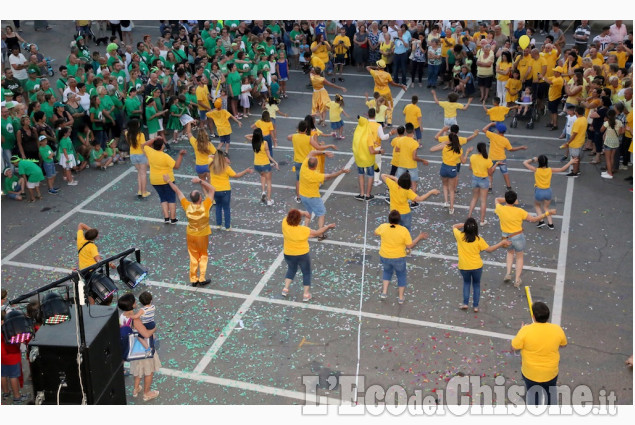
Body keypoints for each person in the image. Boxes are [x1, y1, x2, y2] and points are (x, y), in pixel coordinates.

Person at [495, 190, 556, 288]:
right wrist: (547, 213)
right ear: (515, 200)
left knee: (510, 253)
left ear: (506, 199)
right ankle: (517, 279)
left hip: (505, 236)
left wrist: (508, 199)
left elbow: (497, 199)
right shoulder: (519, 211)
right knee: (519, 257)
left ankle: (508, 273)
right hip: (518, 236)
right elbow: (533, 219)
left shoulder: (500, 209)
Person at [511, 302, 567, 406]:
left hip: (530, 373)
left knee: (533, 395)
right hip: (550, 372)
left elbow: (514, 346)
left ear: (533, 317)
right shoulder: (557, 329)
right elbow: (563, 344)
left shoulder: (525, 331)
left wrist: (521, 330)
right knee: (551, 393)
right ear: (548, 317)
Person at [164, 175, 215, 286]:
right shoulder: (205, 205)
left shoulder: (187, 205)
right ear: (200, 198)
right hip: (202, 234)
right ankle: (201, 278)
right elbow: (212, 189)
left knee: (193, 256)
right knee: (203, 255)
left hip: (191, 234)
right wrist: (201, 181)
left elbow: (177, 191)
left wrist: (168, 180)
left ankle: (193, 278)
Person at [452, 218, 511, 312]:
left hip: (464, 266)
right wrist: (501, 243)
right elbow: (490, 249)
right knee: (476, 285)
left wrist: (465, 224)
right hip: (477, 266)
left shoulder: (459, 235)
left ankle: (465, 303)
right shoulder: (479, 239)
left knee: (466, 283)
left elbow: (454, 226)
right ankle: (475, 306)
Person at [280, 208, 335, 302]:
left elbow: (294, 212)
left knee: (291, 269)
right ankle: (306, 294)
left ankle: (285, 289)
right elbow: (317, 233)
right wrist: (327, 226)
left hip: (288, 253)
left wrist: (303, 212)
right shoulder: (304, 230)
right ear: (299, 220)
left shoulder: (284, 223)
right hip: (302, 255)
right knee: (306, 273)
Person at [375, 210, 428, 304]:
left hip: (385, 255)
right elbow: (409, 245)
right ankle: (400, 297)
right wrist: (419, 237)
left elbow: (376, 233)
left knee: (387, 272)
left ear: (389, 219)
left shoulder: (383, 226)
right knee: (401, 275)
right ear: (399, 220)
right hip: (398, 257)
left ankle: (384, 292)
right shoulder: (403, 230)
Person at [118, 293, 160, 402]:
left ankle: (136, 389)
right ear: (132, 305)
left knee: (137, 370)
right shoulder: (135, 320)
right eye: (134, 302)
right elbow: (146, 334)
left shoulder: (122, 316)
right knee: (149, 371)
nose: (136, 303)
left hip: (133, 350)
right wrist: (154, 329)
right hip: (143, 349)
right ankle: (147, 393)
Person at [299, 150, 349, 239]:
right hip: (313, 197)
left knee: (308, 212)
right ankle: (320, 234)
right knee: (321, 214)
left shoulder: (304, 167)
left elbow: (311, 152)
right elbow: (329, 176)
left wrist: (323, 153)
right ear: (315, 165)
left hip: (303, 195)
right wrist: (341, 172)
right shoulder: (315, 175)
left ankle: (305, 231)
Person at [523, 155, 577, 230]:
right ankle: (550, 224)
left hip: (539, 191)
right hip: (548, 191)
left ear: (539, 162)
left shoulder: (536, 169)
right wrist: (571, 162)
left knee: (537, 206)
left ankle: (541, 221)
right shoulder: (550, 170)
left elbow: (525, 162)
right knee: (546, 207)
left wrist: (533, 159)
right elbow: (562, 169)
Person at [143, 137, 187, 224]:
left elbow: (144, 145)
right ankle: (173, 218)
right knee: (171, 198)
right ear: (162, 146)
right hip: (167, 180)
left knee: (163, 198)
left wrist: (155, 138)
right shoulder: (165, 156)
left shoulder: (150, 152)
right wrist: (180, 156)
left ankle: (166, 217)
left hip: (155, 180)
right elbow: (176, 166)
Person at [209, 151, 253, 230]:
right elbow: (236, 175)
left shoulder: (211, 165)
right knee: (226, 208)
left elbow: (208, 157)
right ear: (224, 158)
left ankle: (218, 224)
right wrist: (246, 171)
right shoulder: (226, 167)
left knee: (218, 207)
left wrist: (214, 157)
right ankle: (227, 226)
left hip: (215, 190)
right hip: (225, 190)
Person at [482, 122, 528, 192]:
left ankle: (490, 188)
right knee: (505, 173)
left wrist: (491, 124)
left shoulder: (493, 136)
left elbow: (484, 129)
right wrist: (521, 147)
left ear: (497, 130)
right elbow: (511, 149)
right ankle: (509, 187)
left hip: (492, 158)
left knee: (490, 173)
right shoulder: (505, 140)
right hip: (501, 158)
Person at [366, 59, 407, 126]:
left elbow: (367, 67)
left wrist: (375, 68)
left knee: (378, 106)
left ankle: (378, 119)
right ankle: (389, 121)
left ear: (378, 66)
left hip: (377, 92)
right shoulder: (387, 74)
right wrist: (401, 86)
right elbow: (393, 83)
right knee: (389, 106)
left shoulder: (374, 72)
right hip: (386, 92)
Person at [467, 142, 499, 226]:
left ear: (477, 149)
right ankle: (482, 221)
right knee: (483, 201)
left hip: (475, 178)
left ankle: (469, 216)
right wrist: (496, 164)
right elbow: (490, 172)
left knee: (474, 198)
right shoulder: (488, 160)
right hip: (484, 180)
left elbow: (470, 167)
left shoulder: (473, 157)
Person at [1, 310, 28, 404]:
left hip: (1, 356)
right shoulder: (7, 329)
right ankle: (17, 396)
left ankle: (5, 392)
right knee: (13, 376)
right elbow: (18, 339)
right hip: (11, 356)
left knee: (3, 375)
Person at [126, 119, 151, 199]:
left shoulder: (127, 133)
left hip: (133, 155)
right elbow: (143, 147)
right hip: (141, 155)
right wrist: (148, 156)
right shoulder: (141, 135)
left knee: (139, 173)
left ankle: (139, 191)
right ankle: (144, 192)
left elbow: (129, 143)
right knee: (143, 174)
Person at [561, 106, 588, 177]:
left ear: (576, 112)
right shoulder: (584, 119)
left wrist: (568, 142)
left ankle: (575, 172)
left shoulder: (577, 121)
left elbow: (574, 134)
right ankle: (577, 170)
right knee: (577, 157)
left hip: (575, 143)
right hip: (581, 141)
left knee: (574, 158)